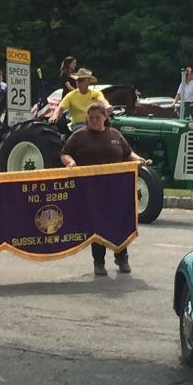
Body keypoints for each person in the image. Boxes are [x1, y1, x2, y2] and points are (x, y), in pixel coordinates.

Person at [61, 101, 145, 276]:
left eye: (97, 117)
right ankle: (98, 263)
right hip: (91, 190)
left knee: (119, 222)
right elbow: (65, 153)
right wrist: (71, 162)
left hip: (116, 189)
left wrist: (139, 160)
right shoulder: (79, 136)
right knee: (96, 225)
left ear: (105, 117)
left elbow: (128, 154)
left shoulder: (115, 135)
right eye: (90, 117)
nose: (93, 120)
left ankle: (122, 257)